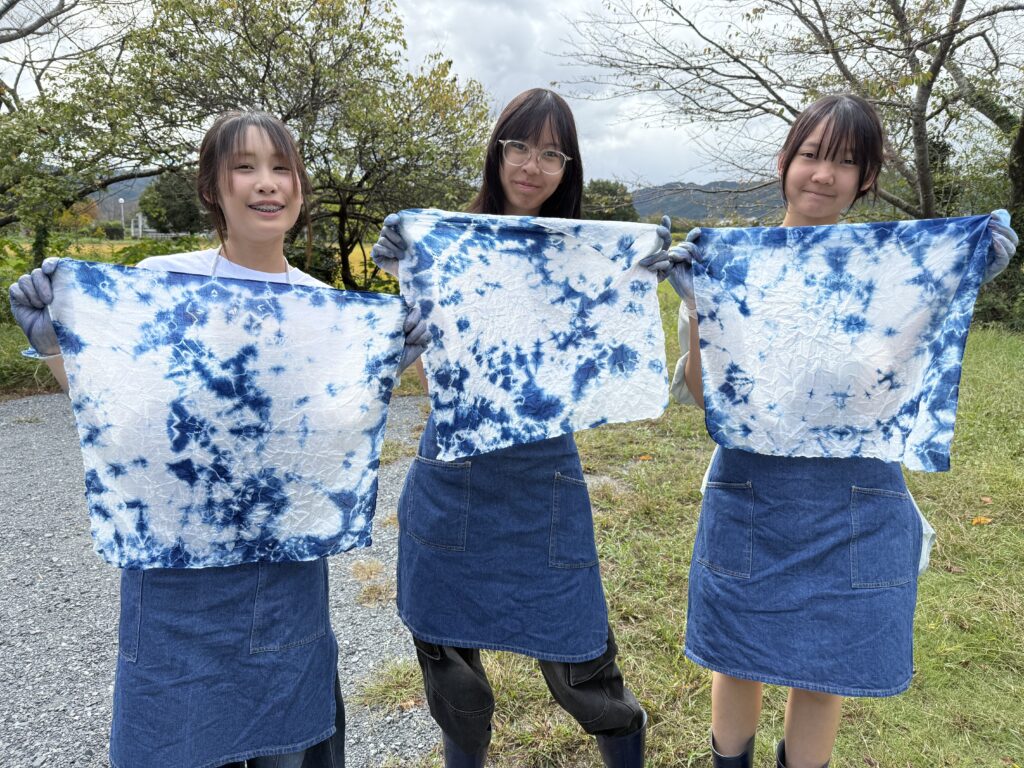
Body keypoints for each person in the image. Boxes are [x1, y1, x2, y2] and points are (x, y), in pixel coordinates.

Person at [8, 110, 428, 768]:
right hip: (175, 583)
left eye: (282, 168)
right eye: (245, 167)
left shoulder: (324, 309)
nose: (267, 183)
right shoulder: (159, 286)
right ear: (212, 188)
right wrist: (58, 343)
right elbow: (117, 417)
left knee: (286, 746)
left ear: (299, 187)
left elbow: (327, 448)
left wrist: (378, 374)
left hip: (284, 581)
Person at [663, 93, 1019, 768]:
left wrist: (959, 280)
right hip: (750, 492)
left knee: (822, 671)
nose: (823, 175)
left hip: (855, 498)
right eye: (811, 155)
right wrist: (701, 305)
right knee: (736, 657)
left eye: (846, 162)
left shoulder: (894, 277)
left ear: (867, 179)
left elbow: (900, 375)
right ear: (785, 162)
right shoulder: (727, 266)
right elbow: (708, 399)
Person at [371, 88, 677, 768]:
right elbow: (413, 364)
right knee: (453, 679)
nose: (532, 166)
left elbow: (609, 346)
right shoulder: (444, 245)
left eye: (551, 154)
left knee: (587, 675)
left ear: (568, 168)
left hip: (544, 482)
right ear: (497, 151)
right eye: (520, 147)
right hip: (451, 479)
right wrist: (403, 273)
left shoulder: (582, 257)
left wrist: (639, 277)